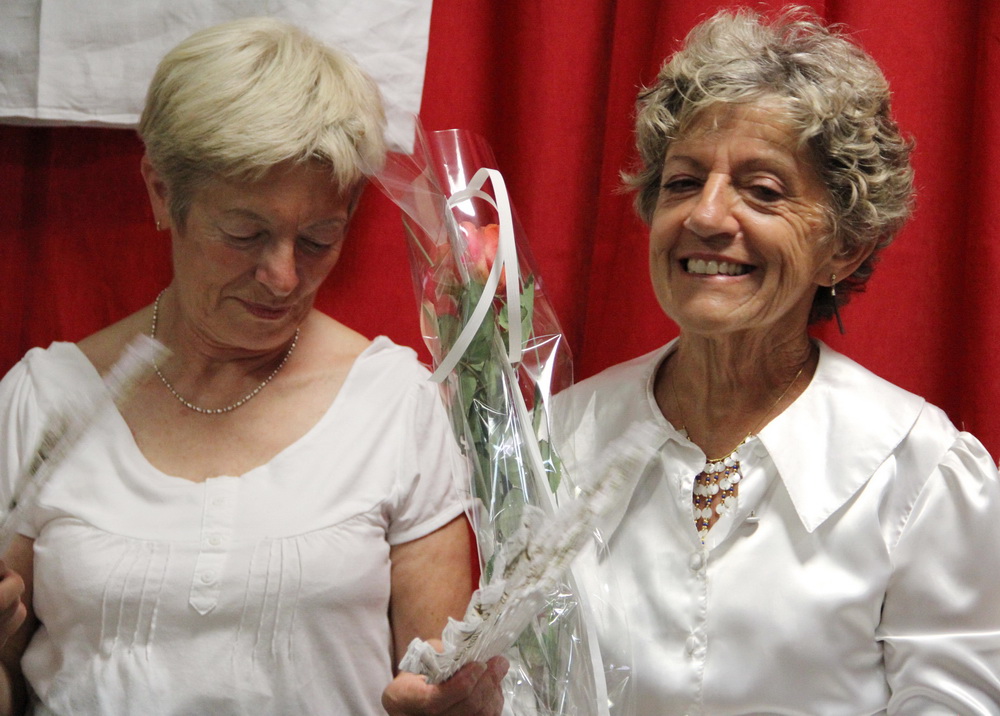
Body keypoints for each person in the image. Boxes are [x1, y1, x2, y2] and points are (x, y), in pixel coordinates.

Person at [0, 17, 505, 716]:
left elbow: (436, 684)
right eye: (244, 233)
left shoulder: (395, 406)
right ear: (161, 192)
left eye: (319, 239)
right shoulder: (43, 400)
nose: (282, 277)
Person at [552, 7, 1000, 714]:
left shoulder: (919, 473)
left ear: (843, 248)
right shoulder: (560, 438)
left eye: (762, 190)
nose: (706, 217)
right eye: (682, 182)